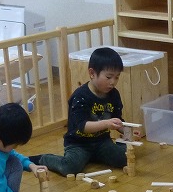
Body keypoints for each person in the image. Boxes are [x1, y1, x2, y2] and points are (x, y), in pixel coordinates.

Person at [29, 47, 127, 176]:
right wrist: (107, 123)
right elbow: (83, 126)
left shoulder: (114, 95)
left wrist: (127, 131)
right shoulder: (80, 96)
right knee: (70, 167)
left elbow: (117, 120)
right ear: (92, 73)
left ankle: (104, 153)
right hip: (79, 144)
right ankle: (43, 159)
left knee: (125, 158)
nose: (113, 82)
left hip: (102, 142)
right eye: (108, 77)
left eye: (117, 77)